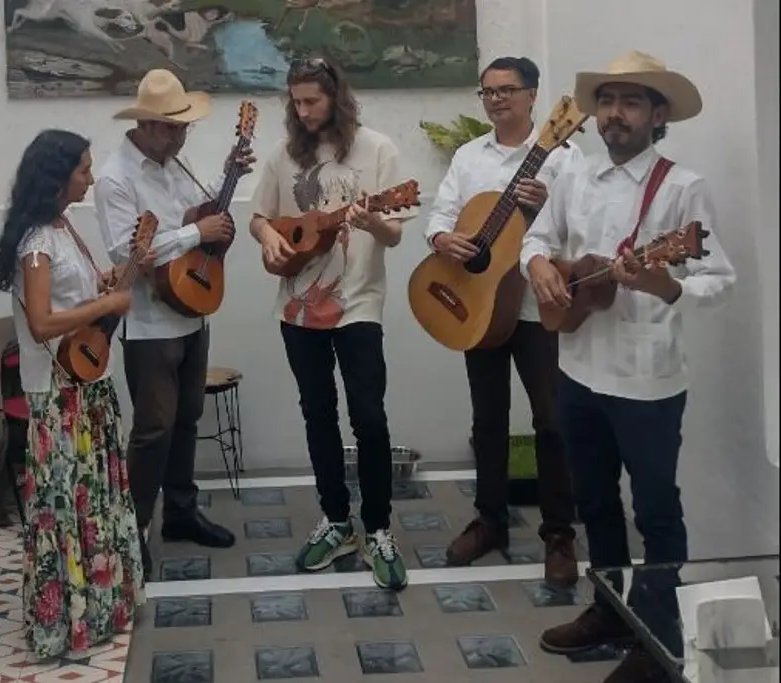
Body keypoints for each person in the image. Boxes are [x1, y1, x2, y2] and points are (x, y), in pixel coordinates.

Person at [521, 51, 735, 682]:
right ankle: (611, 611)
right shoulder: (575, 175)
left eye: (632, 102)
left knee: (656, 509)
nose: (615, 113)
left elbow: (717, 279)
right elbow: (538, 238)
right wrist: (538, 265)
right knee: (593, 500)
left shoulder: (680, 187)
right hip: (579, 366)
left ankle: (659, 637)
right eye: (608, 101)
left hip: (647, 380)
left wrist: (663, 285)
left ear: (657, 114)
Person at [249, 57, 415, 591]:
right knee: (317, 413)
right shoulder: (283, 155)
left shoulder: (378, 150)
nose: (303, 111)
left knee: (369, 417)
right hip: (296, 309)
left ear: (336, 98)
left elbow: (394, 232)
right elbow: (258, 216)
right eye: (295, 102)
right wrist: (269, 238)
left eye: (312, 101)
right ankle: (337, 521)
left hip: (358, 304)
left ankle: (380, 528)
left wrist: (371, 220)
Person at [0, 129, 149, 659]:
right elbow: (41, 323)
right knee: (65, 510)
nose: (91, 177)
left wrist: (107, 283)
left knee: (94, 503)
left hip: (86, 389)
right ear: (58, 178)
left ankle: (100, 606)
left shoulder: (65, 228)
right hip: (58, 396)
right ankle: (68, 621)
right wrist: (106, 307)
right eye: (83, 169)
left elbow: (71, 297)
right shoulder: (37, 242)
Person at [424, 56, 583, 585]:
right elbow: (441, 216)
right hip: (479, 306)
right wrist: (442, 239)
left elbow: (580, 234)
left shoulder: (564, 157)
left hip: (537, 311)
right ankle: (489, 520)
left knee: (552, 422)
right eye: (487, 92)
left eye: (507, 90)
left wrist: (541, 211)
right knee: (487, 419)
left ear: (535, 96)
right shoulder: (469, 157)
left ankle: (559, 534)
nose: (496, 99)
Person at [93, 69, 254, 579]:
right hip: (147, 323)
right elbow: (126, 252)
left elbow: (202, 215)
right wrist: (193, 234)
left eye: (183, 127)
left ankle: (181, 514)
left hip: (190, 313)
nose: (179, 136)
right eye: (169, 128)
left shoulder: (175, 163)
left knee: (186, 419)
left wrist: (228, 174)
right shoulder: (115, 176)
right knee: (152, 430)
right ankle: (133, 529)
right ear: (143, 124)